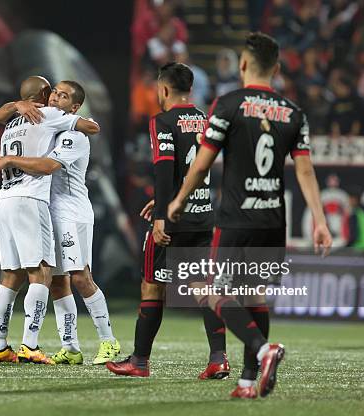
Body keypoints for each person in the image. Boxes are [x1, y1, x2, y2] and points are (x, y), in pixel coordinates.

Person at [167, 33, 333, 398]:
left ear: (243, 65)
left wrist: (178, 199)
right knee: (254, 296)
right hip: (273, 220)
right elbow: (305, 171)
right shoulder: (293, 112)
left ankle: (262, 349)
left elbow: (203, 162)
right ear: (276, 69)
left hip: (235, 220)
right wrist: (320, 220)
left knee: (210, 291)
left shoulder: (227, 105)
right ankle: (246, 382)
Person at [106, 63, 230, 381]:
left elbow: (163, 168)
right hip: (203, 216)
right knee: (204, 287)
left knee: (152, 286)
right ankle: (219, 358)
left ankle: (140, 361)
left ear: (163, 90)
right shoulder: (204, 120)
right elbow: (204, 169)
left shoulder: (162, 121)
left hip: (173, 222)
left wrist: (162, 213)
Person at [0, 80, 121, 365]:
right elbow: (1, 115)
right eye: (54, 93)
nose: (54, 98)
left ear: (73, 107)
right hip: (49, 210)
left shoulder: (71, 134)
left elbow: (50, 165)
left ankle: (108, 342)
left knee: (80, 277)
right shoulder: (45, 123)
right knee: (58, 283)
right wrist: (18, 105)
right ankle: (71, 348)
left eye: (62, 96)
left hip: (71, 213)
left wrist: (9, 157)